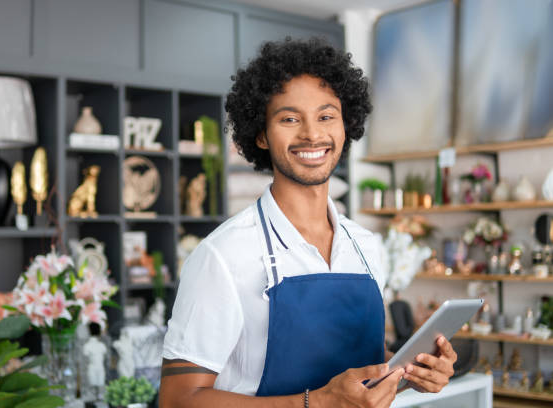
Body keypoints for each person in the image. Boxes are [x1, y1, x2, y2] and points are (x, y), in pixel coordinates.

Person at [160, 38, 457, 408]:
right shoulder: (224, 255)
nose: (312, 134)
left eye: (326, 116)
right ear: (261, 134)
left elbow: (361, 384)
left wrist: (417, 375)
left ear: (345, 125)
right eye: (289, 118)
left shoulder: (365, 246)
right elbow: (177, 400)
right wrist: (313, 403)